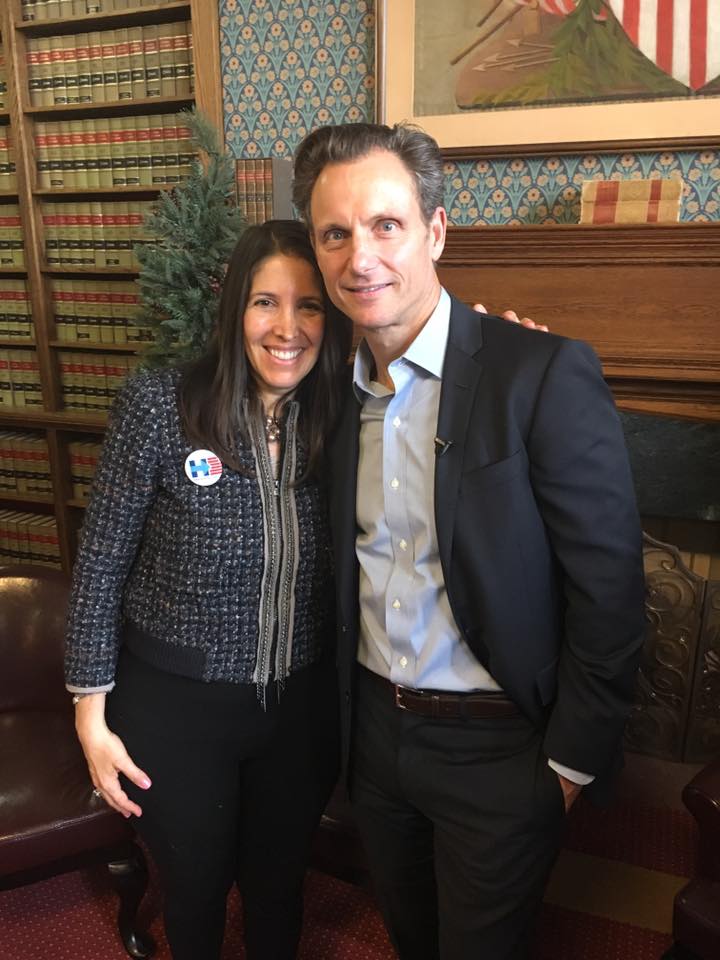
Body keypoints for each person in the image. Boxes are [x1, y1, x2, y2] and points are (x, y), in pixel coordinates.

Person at [292, 122, 646, 960]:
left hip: (502, 750)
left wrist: (568, 768)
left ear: (436, 231)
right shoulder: (331, 400)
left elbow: (610, 588)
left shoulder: (541, 373)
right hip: (377, 740)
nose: (360, 257)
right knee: (411, 939)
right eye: (335, 234)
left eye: (386, 225)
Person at [64, 220, 352, 960]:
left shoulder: (346, 414)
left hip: (301, 709)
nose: (287, 328)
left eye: (310, 305)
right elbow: (100, 566)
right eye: (266, 302)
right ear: (234, 309)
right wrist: (91, 720)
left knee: (279, 886)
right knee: (194, 891)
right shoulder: (161, 405)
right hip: (174, 711)